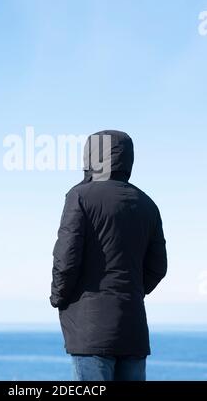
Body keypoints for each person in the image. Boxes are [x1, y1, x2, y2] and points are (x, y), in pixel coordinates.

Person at [50, 130, 167, 381]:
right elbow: (158, 267)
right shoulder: (147, 203)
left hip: (90, 330)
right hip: (133, 328)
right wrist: (132, 290)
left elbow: (66, 259)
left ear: (91, 156)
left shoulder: (80, 196)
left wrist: (58, 297)